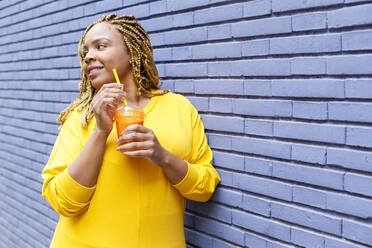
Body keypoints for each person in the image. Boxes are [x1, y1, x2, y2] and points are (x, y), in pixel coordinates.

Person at [41, 13, 221, 248]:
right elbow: (62, 201)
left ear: (133, 52)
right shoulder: (81, 117)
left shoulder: (179, 108)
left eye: (101, 46)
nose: (88, 57)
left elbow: (204, 188)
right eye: (86, 52)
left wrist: (162, 156)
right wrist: (101, 132)